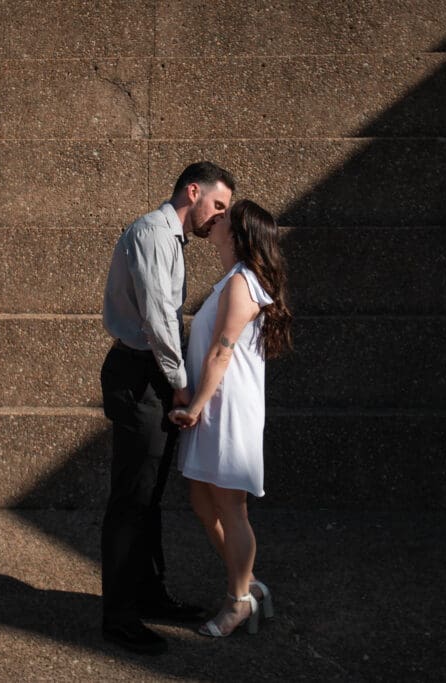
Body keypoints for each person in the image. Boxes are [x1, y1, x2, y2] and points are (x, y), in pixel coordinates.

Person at [99, 161, 236, 655]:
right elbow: (159, 317)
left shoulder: (169, 237)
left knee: (149, 497)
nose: (219, 218)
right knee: (131, 500)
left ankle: (150, 597)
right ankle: (119, 616)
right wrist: (180, 384)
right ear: (192, 191)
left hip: (148, 373)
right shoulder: (154, 234)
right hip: (140, 376)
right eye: (217, 205)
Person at [168, 199, 293, 637]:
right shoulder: (232, 281)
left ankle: (237, 600)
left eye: (224, 217)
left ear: (239, 235)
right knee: (204, 502)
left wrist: (195, 406)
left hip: (225, 407)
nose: (215, 219)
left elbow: (222, 351)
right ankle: (251, 584)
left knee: (231, 508)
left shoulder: (242, 283)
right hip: (211, 404)